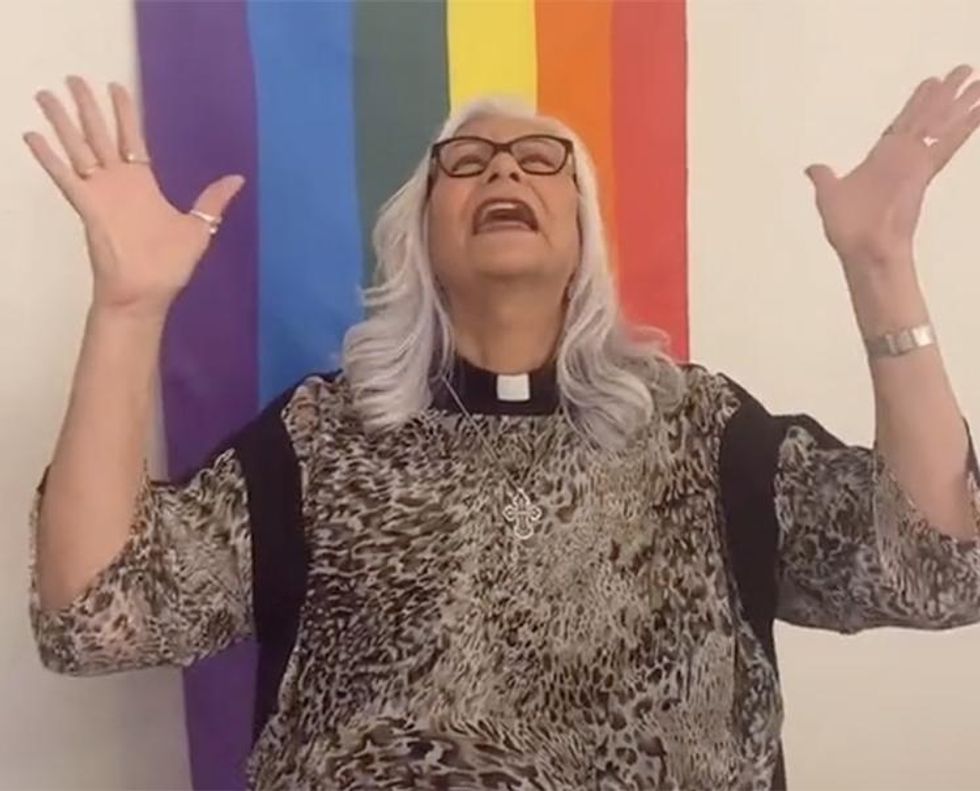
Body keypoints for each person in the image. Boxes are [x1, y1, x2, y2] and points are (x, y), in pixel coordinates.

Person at [22, 67, 980, 790]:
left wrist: (880, 264)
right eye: (468, 163)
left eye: (539, 159)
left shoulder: (701, 428)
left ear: (583, 230)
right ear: (420, 234)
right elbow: (97, 617)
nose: (506, 169)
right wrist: (128, 309)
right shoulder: (322, 438)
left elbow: (937, 569)